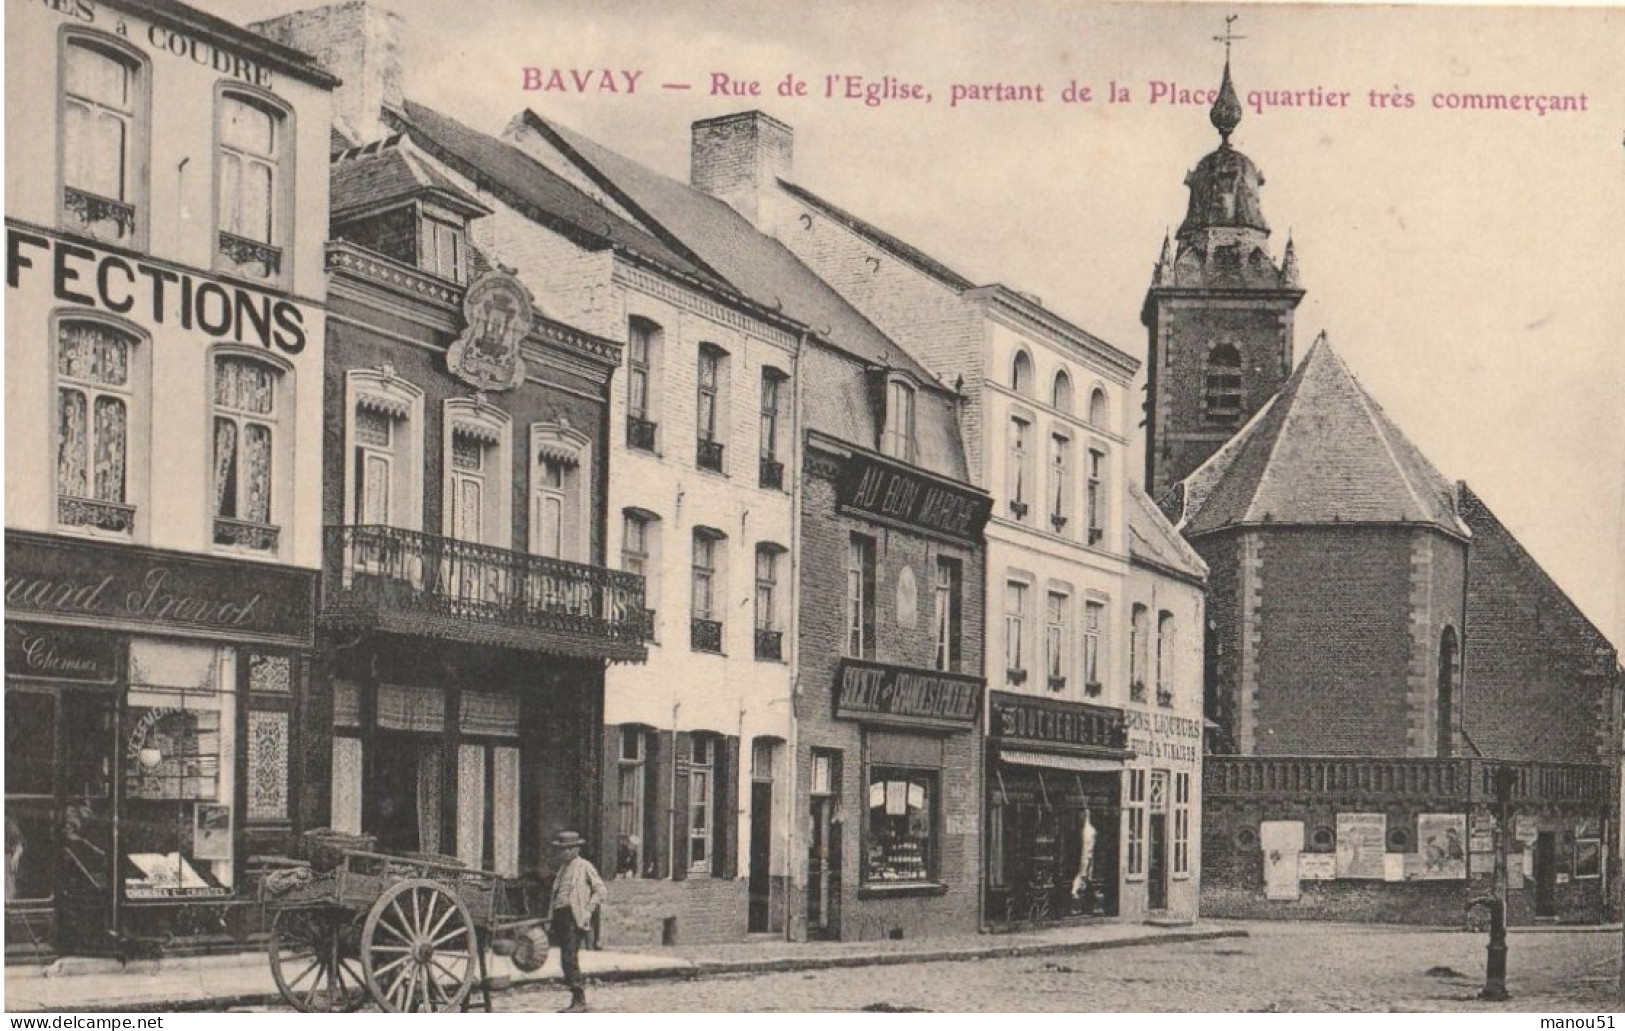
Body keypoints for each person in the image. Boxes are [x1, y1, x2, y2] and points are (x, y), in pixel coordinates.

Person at [548, 830, 606, 1013]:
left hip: (575, 917)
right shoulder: (563, 869)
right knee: (566, 958)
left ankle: (579, 1000)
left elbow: (601, 891)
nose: (565, 853)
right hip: (561, 917)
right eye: (562, 849)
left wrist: (588, 911)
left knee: (569, 957)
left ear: (576, 849)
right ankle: (576, 998)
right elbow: (556, 895)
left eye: (569, 849)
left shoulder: (584, 866)